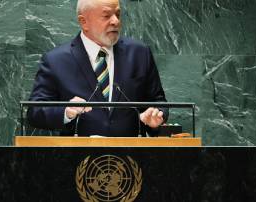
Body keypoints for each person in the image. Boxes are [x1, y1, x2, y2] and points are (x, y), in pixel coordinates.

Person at [27, 0, 168, 136]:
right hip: (77, 156)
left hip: (131, 155)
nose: (115, 21)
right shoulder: (56, 60)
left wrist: (156, 115)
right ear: (84, 22)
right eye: (106, 16)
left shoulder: (139, 53)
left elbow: (158, 101)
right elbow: (35, 112)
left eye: (117, 14)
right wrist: (66, 111)